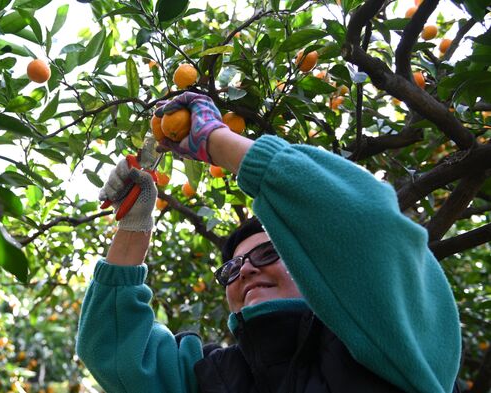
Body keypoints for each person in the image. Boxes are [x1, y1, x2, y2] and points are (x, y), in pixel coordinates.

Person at [76, 93, 461, 393]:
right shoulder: (215, 376)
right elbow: (114, 351)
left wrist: (217, 141)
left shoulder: (391, 342)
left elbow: (369, 224)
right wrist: (134, 225)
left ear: (312, 266)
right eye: (231, 268)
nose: (245, 269)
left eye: (267, 252)